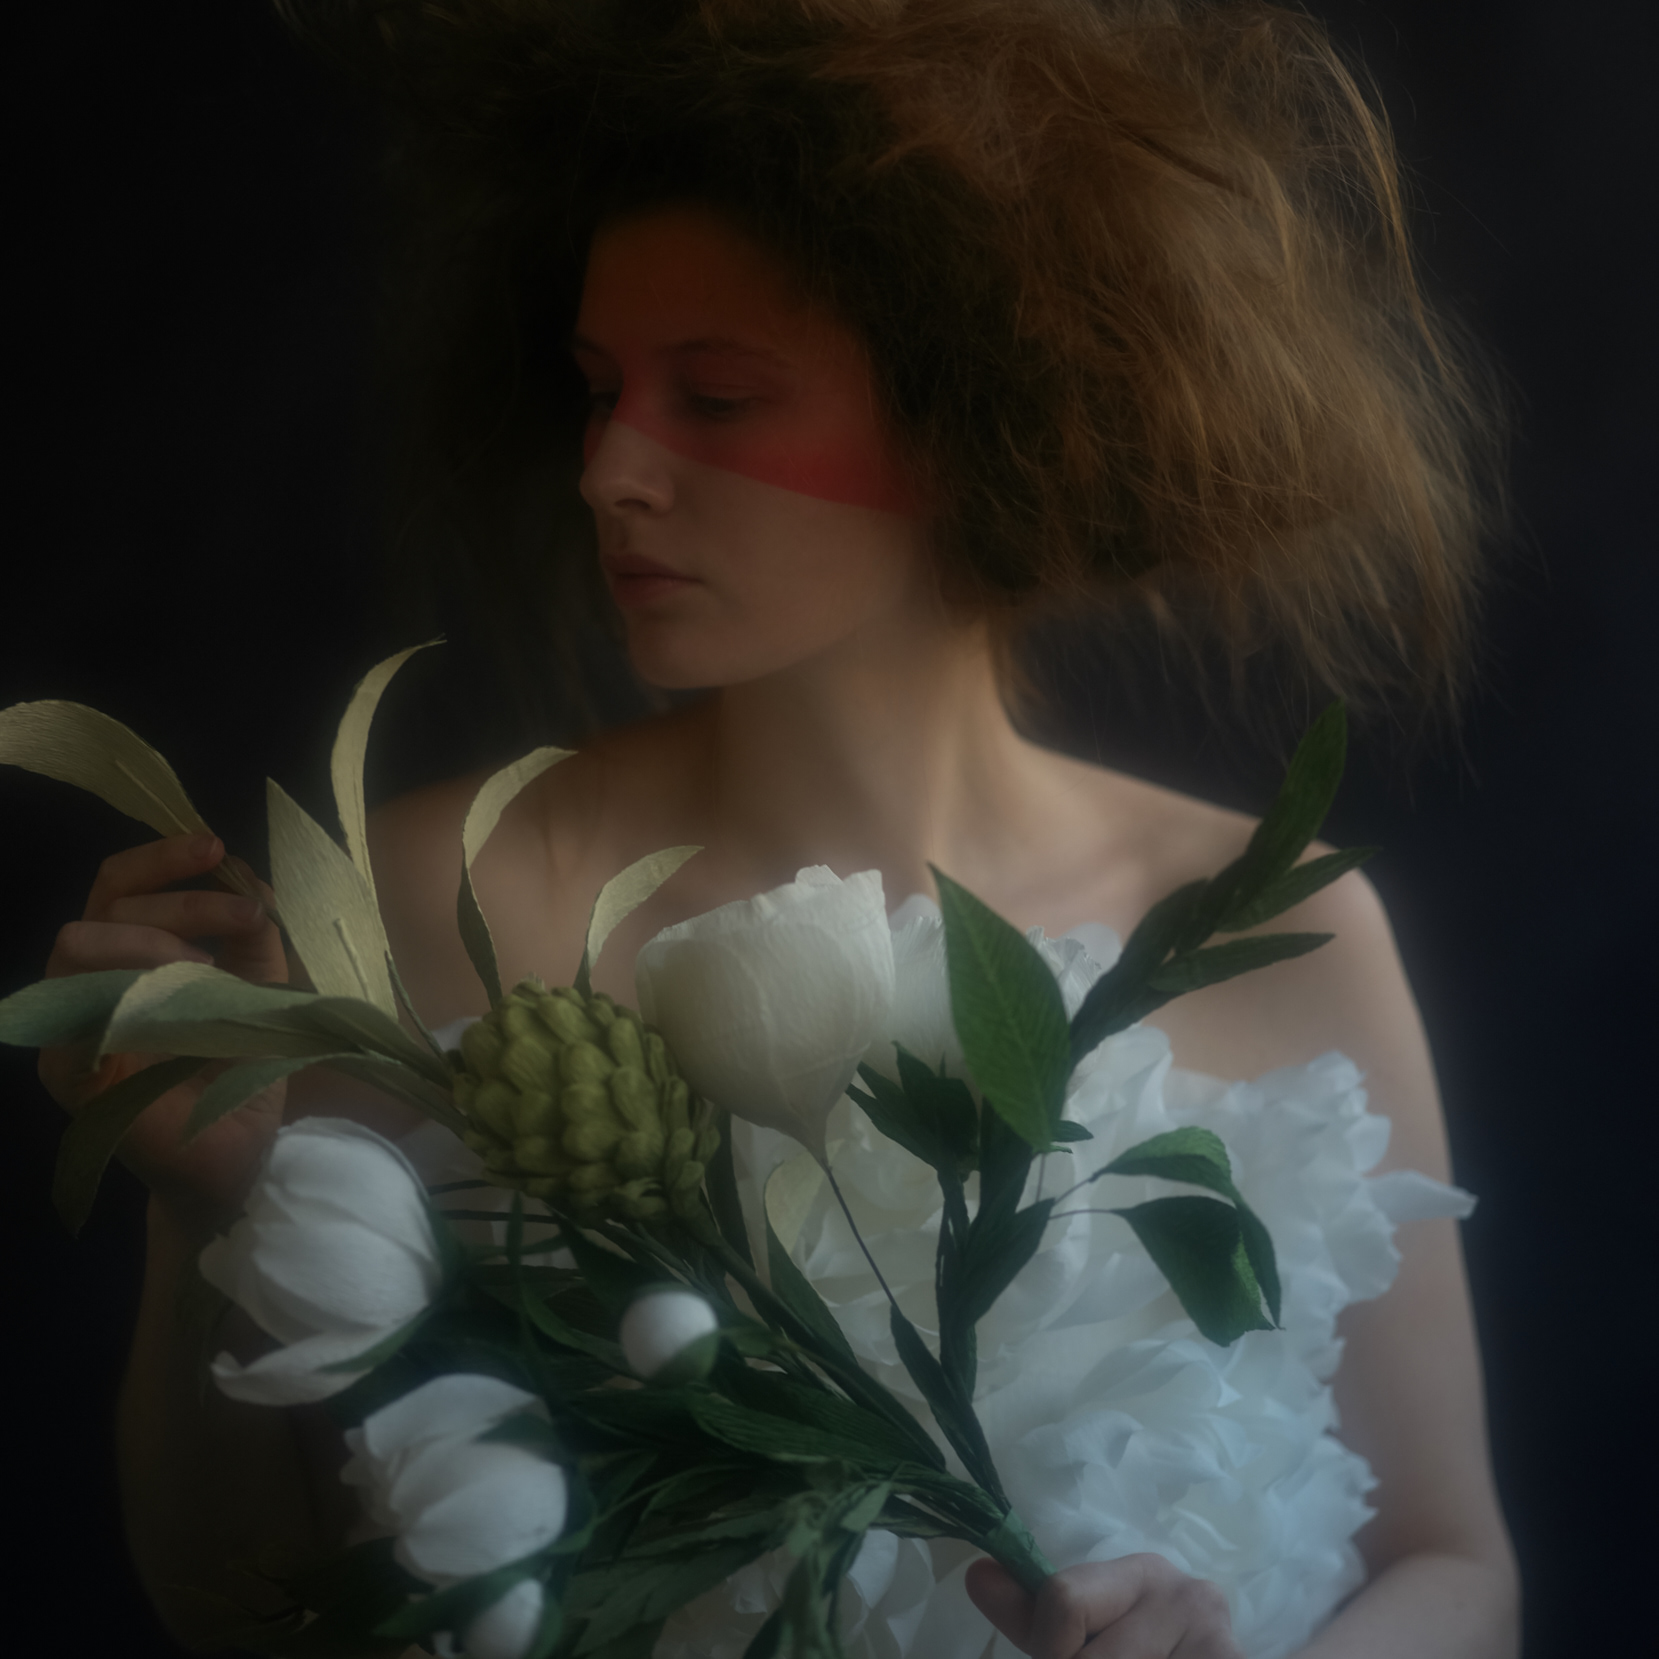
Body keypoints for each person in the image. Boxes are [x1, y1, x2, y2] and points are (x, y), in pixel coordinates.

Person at [35, 2, 1518, 1654]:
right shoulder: (433, 900)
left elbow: (1458, 1571)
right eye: (599, 390)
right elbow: (243, 1614)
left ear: (979, 409)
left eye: (720, 397)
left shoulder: (1268, 915)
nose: (610, 469)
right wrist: (201, 1208)